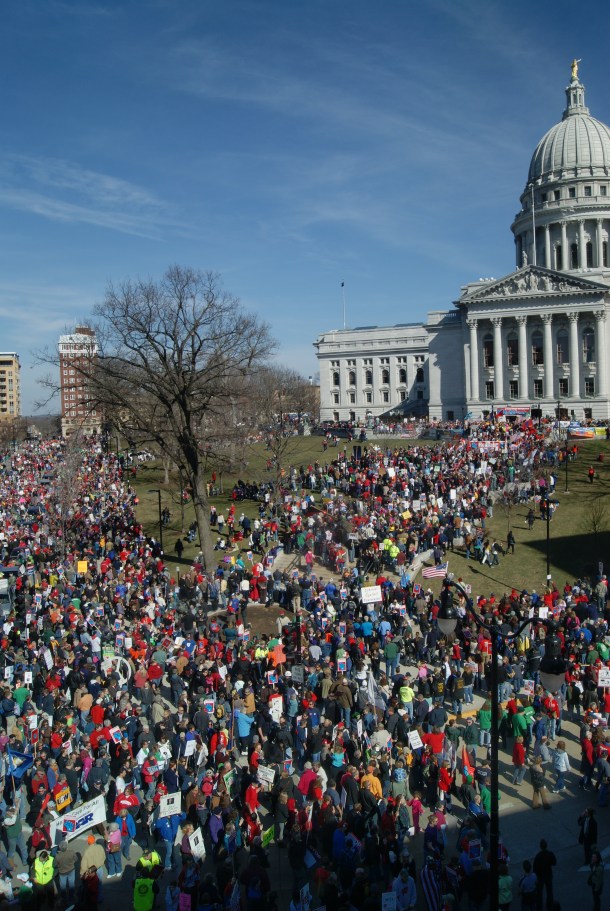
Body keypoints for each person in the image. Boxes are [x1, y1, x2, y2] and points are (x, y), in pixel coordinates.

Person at [533, 839, 556, 911]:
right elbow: (554, 862)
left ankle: (539, 907)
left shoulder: (538, 856)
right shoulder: (550, 854)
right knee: (549, 890)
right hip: (548, 874)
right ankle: (550, 905)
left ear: (540, 846)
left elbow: (534, 869)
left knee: (539, 892)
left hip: (540, 876)